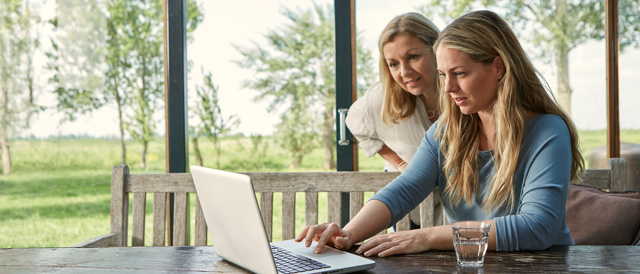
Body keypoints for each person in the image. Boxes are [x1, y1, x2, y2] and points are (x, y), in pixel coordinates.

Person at [296, 10, 584, 256]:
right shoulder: (447, 130)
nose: (447, 88)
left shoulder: (547, 131)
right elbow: (405, 189)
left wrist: (428, 236)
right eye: (444, 75)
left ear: (498, 66)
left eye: (459, 73)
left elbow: (537, 228)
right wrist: (347, 234)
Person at [346, 12, 442, 230]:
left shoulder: (463, 94)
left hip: (463, 215)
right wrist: (399, 163)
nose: (405, 72)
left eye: (413, 57)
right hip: (409, 213)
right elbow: (356, 124)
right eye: (393, 64)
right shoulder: (381, 99)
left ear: (437, 50)